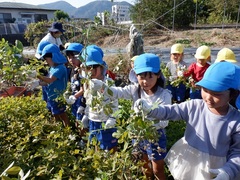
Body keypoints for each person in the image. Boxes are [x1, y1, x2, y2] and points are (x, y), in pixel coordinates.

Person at [134, 61, 240, 180]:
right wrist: (149, 110)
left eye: (216, 94)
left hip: (217, 167)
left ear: (232, 94)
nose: (208, 97)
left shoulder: (236, 121)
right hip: (190, 160)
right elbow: (170, 112)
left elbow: (237, 152)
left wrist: (227, 172)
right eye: (205, 90)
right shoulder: (195, 106)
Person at [90, 53, 172, 180]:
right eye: (142, 77)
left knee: (158, 169)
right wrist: (103, 87)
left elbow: (164, 120)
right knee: (144, 164)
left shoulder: (164, 95)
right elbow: (117, 93)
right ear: (136, 76)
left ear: (158, 75)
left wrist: (148, 113)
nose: (145, 81)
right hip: (138, 134)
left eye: (150, 77)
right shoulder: (135, 89)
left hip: (155, 135)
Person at [81, 46, 119, 152]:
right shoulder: (87, 83)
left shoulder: (108, 83)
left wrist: (113, 118)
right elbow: (89, 102)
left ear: (101, 67)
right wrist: (86, 115)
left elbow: (114, 101)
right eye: (88, 68)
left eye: (94, 67)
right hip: (93, 120)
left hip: (106, 121)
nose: (91, 71)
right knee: (96, 145)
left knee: (110, 148)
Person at [37, 44, 70, 127]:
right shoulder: (53, 67)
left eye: (47, 59)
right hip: (51, 95)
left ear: (53, 57)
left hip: (58, 96)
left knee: (62, 115)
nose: (46, 62)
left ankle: (67, 129)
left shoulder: (60, 68)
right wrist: (38, 83)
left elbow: (50, 79)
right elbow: (48, 82)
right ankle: (58, 128)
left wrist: (38, 76)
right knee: (54, 113)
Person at [64, 43, 87, 135]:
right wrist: (68, 92)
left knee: (82, 122)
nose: (71, 60)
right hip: (75, 101)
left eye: (74, 57)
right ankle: (80, 137)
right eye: (69, 57)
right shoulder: (74, 70)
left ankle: (84, 141)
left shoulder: (84, 71)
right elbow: (73, 84)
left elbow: (84, 88)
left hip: (82, 102)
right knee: (77, 120)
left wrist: (74, 97)